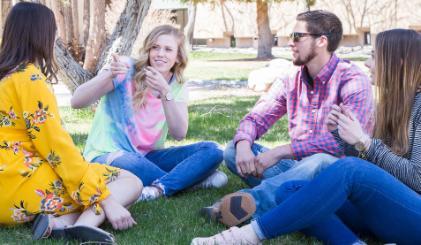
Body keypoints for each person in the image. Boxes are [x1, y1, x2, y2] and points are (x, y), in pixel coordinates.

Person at [192, 28, 421, 245]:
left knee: (349, 169)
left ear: (397, 62)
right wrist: (347, 139)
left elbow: (417, 179)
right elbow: (377, 173)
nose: (368, 64)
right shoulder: (390, 105)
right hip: (387, 212)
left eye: (374, 56)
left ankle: (246, 236)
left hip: (414, 218)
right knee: (289, 190)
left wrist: (366, 143)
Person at [201, 10, 374, 226]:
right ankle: (293, 197)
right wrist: (244, 143)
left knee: (317, 162)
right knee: (233, 150)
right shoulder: (291, 78)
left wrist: (282, 151)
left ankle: (246, 204)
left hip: (337, 176)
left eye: (297, 36)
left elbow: (344, 141)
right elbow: (257, 117)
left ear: (321, 41)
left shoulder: (353, 80)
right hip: (295, 168)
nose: (290, 43)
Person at [0, 2, 142, 243]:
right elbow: (56, 149)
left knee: (87, 179)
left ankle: (59, 223)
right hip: (18, 189)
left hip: (7, 183)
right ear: (40, 34)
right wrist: (105, 199)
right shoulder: (30, 78)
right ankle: (84, 225)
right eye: (53, 30)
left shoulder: (6, 75)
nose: (56, 36)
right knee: (130, 182)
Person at [71, 25, 227, 201]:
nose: (160, 53)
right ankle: (186, 182)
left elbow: (179, 134)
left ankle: (160, 187)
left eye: (168, 49)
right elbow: (76, 102)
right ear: (148, 50)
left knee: (213, 150)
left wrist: (165, 92)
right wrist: (107, 76)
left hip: (149, 157)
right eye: (155, 47)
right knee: (131, 162)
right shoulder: (125, 67)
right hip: (109, 155)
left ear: (178, 57)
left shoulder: (177, 85)